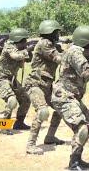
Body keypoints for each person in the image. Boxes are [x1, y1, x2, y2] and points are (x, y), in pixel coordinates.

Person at [50, 26, 89, 170]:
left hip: (72, 96)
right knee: (82, 127)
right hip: (64, 96)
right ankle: (74, 163)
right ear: (86, 43)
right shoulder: (75, 52)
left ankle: (77, 157)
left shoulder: (78, 51)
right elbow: (86, 73)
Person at [24, 20, 66, 155]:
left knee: (61, 106)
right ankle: (30, 145)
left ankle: (50, 137)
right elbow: (59, 59)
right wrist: (75, 52)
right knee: (42, 111)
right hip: (35, 84)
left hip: (47, 85)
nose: (58, 34)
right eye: (57, 32)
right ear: (51, 33)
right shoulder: (44, 44)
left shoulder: (51, 44)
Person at [0, 28, 33, 135]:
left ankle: (19, 123)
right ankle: (4, 127)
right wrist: (27, 50)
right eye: (24, 40)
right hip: (1, 78)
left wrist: (31, 50)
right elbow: (15, 56)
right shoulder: (9, 46)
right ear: (18, 40)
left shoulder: (19, 48)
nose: (25, 42)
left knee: (26, 99)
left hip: (12, 79)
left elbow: (28, 59)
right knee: (11, 100)